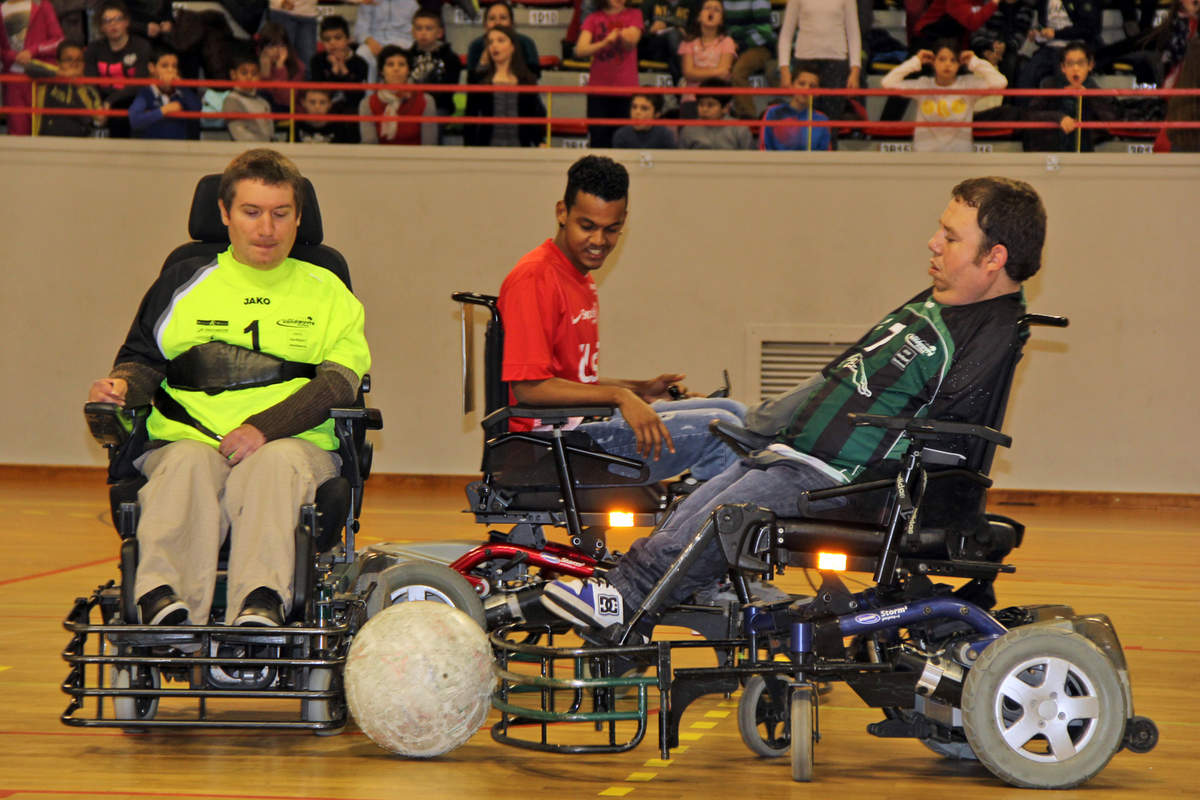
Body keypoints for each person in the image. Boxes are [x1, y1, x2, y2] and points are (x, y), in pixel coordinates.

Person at [541, 176, 1048, 631]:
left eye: (951, 237)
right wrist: (766, 423)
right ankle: (628, 590)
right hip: (806, 460)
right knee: (697, 503)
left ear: (994, 258)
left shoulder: (988, 331)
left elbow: (953, 437)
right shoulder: (939, 303)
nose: (933, 243)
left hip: (846, 480)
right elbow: (847, 375)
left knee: (727, 517)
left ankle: (623, 600)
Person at [86, 148, 371, 629]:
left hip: (295, 445)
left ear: (298, 217)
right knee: (186, 464)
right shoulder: (182, 281)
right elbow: (143, 362)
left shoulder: (329, 291)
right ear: (225, 214)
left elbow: (339, 384)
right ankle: (163, 603)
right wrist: (120, 387)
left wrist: (264, 428)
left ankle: (261, 601)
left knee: (274, 465)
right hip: (188, 438)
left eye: (281, 214)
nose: (267, 229)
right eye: (252, 212)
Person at [498, 155, 746, 490]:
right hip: (548, 445)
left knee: (734, 411)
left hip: (579, 427)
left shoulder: (580, 278)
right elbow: (528, 387)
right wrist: (620, 397)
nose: (599, 241)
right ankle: (700, 536)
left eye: (611, 229)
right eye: (587, 226)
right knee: (722, 428)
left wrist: (640, 389)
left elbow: (570, 380)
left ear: (623, 221)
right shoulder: (535, 277)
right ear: (561, 212)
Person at [880, 40, 1006, 151]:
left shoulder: (968, 84)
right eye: (942, 59)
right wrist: (916, 61)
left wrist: (975, 61)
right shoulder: (923, 84)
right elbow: (887, 83)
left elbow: (1000, 82)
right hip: (924, 156)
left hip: (960, 156)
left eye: (953, 60)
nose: (947, 64)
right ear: (933, 62)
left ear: (960, 64)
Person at [776, 0, 862, 127]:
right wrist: (784, 69)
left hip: (836, 63)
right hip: (805, 61)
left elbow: (854, 34)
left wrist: (855, 71)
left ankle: (830, 146)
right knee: (803, 120)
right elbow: (786, 34)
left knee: (831, 122)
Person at [1026, 41, 1117, 151]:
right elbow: (1031, 114)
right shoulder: (1050, 85)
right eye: (1070, 64)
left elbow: (1110, 121)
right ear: (1063, 67)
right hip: (1050, 150)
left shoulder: (1094, 89)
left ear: (1090, 65)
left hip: (1084, 152)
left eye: (1080, 63)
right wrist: (1058, 118)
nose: (1075, 68)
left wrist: (1089, 97)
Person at [575, 0, 644, 148]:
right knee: (598, 140)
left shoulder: (634, 14)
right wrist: (605, 42)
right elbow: (580, 50)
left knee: (624, 140)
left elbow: (631, 41)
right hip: (598, 90)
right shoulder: (593, 18)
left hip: (626, 89)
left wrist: (623, 34)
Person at [464, 25, 545, 147]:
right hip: (485, 149)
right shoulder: (479, 80)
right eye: (490, 42)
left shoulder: (527, 80)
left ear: (513, 47)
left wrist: (539, 141)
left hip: (522, 149)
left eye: (500, 40)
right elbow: (470, 115)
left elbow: (537, 114)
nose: (494, 46)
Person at [85, 0, 151, 138]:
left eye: (118, 19)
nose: (113, 24)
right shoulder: (93, 48)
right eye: (107, 21)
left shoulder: (141, 46)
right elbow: (90, 82)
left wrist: (110, 101)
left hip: (130, 99)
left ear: (126, 22)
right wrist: (98, 106)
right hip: (101, 100)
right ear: (101, 27)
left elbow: (139, 83)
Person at [1, 0, 64, 135]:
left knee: (46, 131)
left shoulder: (42, 5)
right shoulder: (1, 9)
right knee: (18, 134)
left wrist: (33, 51)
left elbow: (59, 40)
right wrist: (12, 56)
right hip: (13, 82)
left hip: (42, 78)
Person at [358, 44, 436, 145]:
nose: (396, 69)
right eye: (390, 64)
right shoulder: (367, 104)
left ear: (408, 70)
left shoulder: (425, 101)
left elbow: (429, 144)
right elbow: (369, 144)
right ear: (381, 71)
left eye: (401, 64)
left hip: (417, 159)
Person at [309, 14, 368, 136]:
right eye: (327, 39)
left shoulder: (360, 63)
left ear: (348, 38)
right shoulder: (317, 61)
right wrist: (334, 73)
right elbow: (320, 95)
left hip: (352, 112)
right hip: (325, 110)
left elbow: (357, 98)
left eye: (338, 38)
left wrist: (344, 71)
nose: (332, 43)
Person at [128, 45, 200, 139]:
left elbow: (197, 109)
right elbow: (135, 121)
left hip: (180, 149)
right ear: (152, 68)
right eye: (164, 66)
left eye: (174, 66)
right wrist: (164, 110)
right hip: (153, 149)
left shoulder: (182, 92)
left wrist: (182, 86)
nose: (170, 70)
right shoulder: (146, 93)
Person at [677, 0, 736, 113]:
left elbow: (724, 73)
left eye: (716, 9)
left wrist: (698, 72)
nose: (711, 11)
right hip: (691, 99)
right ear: (699, 16)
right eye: (707, 8)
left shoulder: (727, 42)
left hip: (718, 99)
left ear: (721, 20)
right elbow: (688, 73)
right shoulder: (688, 42)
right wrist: (716, 72)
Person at [35, 40, 104, 136]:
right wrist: (62, 74)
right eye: (68, 59)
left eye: (79, 60)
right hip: (47, 141)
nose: (74, 64)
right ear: (58, 62)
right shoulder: (48, 80)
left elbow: (98, 118)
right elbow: (29, 68)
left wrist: (79, 87)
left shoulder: (90, 90)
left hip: (79, 143)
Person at [760, 63, 831, 150]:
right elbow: (765, 148)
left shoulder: (822, 120)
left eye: (812, 86)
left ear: (818, 92)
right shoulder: (773, 113)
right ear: (792, 85)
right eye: (801, 84)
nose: (806, 89)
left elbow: (825, 156)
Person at [406, 7, 461, 120]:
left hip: (439, 107)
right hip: (410, 105)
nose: (423, 33)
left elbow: (449, 90)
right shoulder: (406, 57)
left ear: (440, 33)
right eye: (419, 28)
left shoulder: (451, 58)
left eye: (429, 28)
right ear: (413, 32)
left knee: (432, 120)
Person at [725, 0, 775, 120]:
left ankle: (749, 118)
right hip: (730, 46)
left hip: (760, 46)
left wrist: (741, 45)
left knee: (738, 72)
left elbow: (765, 32)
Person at [466, 1, 541, 80]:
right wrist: (482, 65)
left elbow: (535, 76)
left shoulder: (526, 43)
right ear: (485, 24)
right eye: (492, 18)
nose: (497, 22)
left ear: (512, 23)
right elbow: (471, 83)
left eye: (503, 18)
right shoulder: (476, 45)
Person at [352, 0, 419, 82]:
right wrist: (369, 41)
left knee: (400, 57)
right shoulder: (368, 2)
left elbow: (416, 28)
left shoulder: (411, 3)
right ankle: (370, 92)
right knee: (362, 52)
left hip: (402, 43)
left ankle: (403, 92)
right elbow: (360, 29)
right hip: (375, 41)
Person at [679, 77, 754, 148]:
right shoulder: (688, 130)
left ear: (725, 108)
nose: (704, 109)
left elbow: (751, 158)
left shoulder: (739, 129)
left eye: (710, 105)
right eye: (701, 104)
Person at [222, 49, 274, 142]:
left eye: (254, 73)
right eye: (244, 73)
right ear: (233, 74)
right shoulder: (231, 100)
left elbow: (270, 133)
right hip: (244, 151)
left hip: (264, 150)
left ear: (259, 76)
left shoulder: (264, 103)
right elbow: (238, 133)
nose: (249, 77)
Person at [256, 20, 306, 112]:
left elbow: (286, 101)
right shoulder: (255, 63)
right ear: (262, 48)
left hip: (287, 110)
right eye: (271, 46)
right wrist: (265, 73)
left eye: (281, 45)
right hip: (261, 111)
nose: (277, 51)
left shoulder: (297, 66)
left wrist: (280, 69)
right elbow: (258, 98)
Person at [612, 89, 677, 148]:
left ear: (657, 114)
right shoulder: (621, 136)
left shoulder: (665, 136)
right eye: (634, 107)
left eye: (644, 108)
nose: (637, 112)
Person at [266, 0, 318, 70]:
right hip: (282, 12)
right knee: (281, 57)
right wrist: (279, 2)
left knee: (309, 60)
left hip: (308, 14)